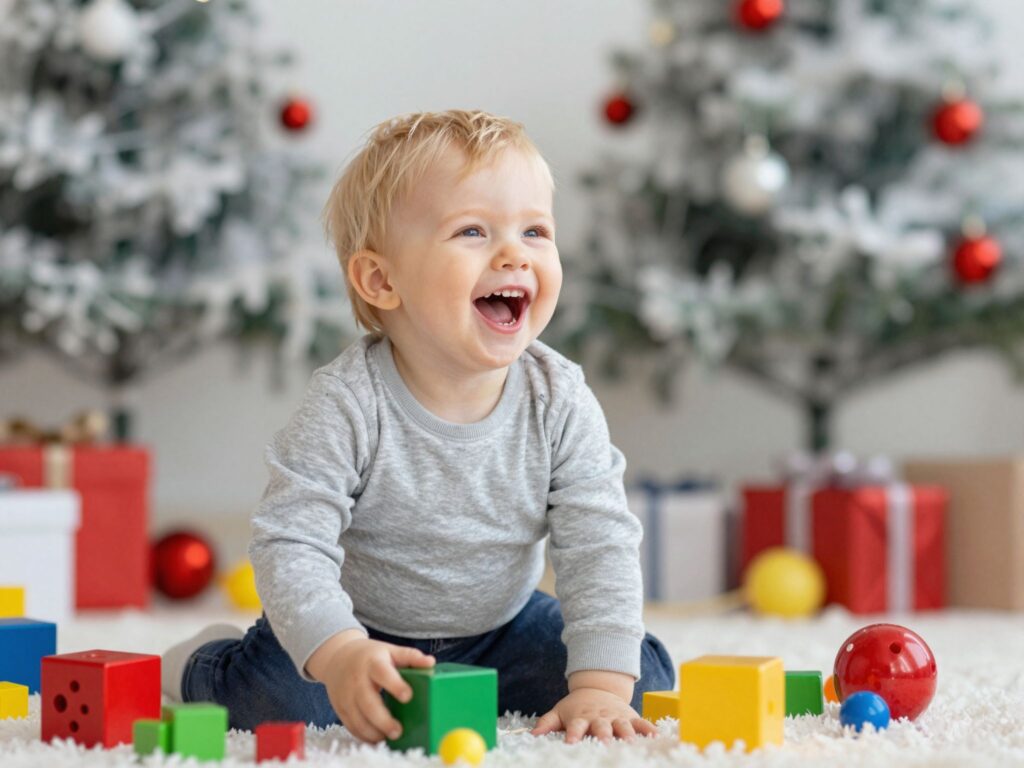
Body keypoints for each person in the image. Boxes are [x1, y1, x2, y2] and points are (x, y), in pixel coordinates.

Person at [162, 109, 674, 745]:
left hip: (504, 628)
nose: (515, 253)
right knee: (275, 700)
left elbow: (599, 542)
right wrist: (341, 651)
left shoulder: (559, 398)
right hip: (362, 628)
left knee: (639, 677)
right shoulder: (348, 403)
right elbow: (290, 541)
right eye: (473, 232)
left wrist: (599, 687)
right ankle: (206, 662)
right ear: (382, 280)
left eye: (536, 231)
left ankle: (536, 681)